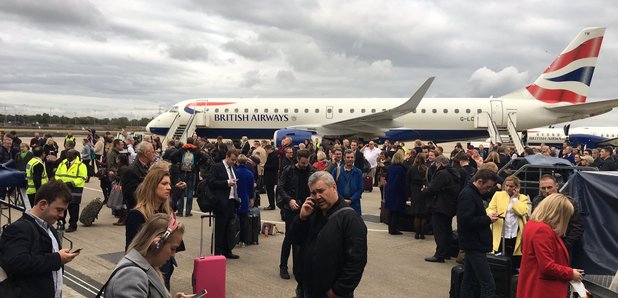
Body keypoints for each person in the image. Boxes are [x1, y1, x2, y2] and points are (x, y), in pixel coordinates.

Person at [292, 171, 368, 298]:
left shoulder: (350, 219)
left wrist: (338, 291)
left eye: (321, 191)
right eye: (313, 193)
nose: (317, 196)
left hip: (331, 293)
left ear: (334, 187)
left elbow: (356, 261)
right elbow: (296, 240)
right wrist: (301, 219)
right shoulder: (313, 212)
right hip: (307, 288)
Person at [0, 180, 78, 298]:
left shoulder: (50, 228)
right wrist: (57, 258)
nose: (62, 215)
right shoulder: (18, 229)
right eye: (59, 209)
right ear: (43, 204)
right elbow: (15, 263)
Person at [105, 213, 193, 298]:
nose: (173, 255)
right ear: (156, 244)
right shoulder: (132, 275)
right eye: (172, 249)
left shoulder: (145, 268)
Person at [125, 166, 185, 289]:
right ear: (152, 186)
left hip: (165, 269)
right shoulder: (137, 215)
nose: (169, 187)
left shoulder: (166, 211)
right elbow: (132, 250)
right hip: (146, 276)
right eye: (164, 183)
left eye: (169, 184)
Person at [517, 194, 585, 298]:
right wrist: (570, 273)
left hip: (534, 285)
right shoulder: (543, 230)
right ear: (558, 214)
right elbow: (547, 266)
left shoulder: (532, 224)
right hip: (543, 289)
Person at [457, 169, 500, 298]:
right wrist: (487, 219)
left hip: (473, 243)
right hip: (474, 243)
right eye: (487, 187)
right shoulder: (468, 195)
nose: (488, 190)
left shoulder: (472, 193)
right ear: (479, 182)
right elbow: (466, 220)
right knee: (488, 284)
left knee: (469, 281)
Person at [277, 149, 315, 291]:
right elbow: (280, 187)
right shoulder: (288, 170)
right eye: (303, 162)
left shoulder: (312, 171)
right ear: (298, 159)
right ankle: (283, 267)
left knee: (305, 240)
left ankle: (300, 268)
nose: (305, 165)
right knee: (289, 238)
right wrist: (289, 200)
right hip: (291, 209)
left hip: (308, 209)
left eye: (307, 162)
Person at [486, 176, 530, 269]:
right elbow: (490, 208)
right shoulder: (498, 195)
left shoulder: (523, 198)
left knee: (514, 257)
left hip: (515, 231)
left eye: (511, 186)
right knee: (499, 254)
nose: (508, 188)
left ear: (517, 187)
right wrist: (492, 213)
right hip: (501, 230)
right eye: (507, 185)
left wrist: (514, 199)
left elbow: (522, 211)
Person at [531, 174, 583, 252]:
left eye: (549, 187)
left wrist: (563, 246)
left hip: (562, 244)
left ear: (557, 186)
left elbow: (577, 227)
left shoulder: (568, 203)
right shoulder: (537, 201)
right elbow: (533, 223)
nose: (547, 191)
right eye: (543, 188)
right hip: (541, 245)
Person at [424, 155, 461, 262]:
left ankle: (439, 254)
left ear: (439, 164)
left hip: (440, 205)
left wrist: (425, 190)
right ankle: (446, 252)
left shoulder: (442, 174)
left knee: (439, 230)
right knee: (447, 230)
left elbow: (433, 189)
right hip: (450, 205)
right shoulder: (455, 173)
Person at [208, 149, 241, 259]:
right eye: (232, 160)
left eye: (235, 160)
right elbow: (211, 183)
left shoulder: (233, 168)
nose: (233, 162)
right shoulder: (217, 167)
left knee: (230, 227)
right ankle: (217, 252)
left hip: (231, 201)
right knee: (220, 228)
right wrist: (227, 183)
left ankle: (227, 250)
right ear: (226, 157)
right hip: (221, 202)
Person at [54, 149, 88, 232]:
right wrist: (60, 182)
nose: (67, 155)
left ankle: (73, 225)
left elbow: (82, 177)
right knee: (61, 207)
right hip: (63, 188)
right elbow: (57, 175)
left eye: (69, 154)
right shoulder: (62, 164)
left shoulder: (81, 165)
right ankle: (61, 223)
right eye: (67, 153)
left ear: (75, 155)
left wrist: (72, 183)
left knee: (73, 208)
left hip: (75, 190)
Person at [122, 142, 156, 211]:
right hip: (138, 210)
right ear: (146, 153)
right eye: (153, 152)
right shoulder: (132, 170)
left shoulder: (147, 166)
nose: (154, 154)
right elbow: (130, 195)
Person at [332, 149, 363, 216]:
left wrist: (351, 200)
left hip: (354, 204)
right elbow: (332, 187)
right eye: (348, 157)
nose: (350, 159)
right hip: (339, 204)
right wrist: (341, 200)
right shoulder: (336, 171)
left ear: (354, 158)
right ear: (344, 158)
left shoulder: (358, 172)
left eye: (352, 157)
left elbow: (360, 189)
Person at [384, 150, 408, 235]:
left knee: (391, 211)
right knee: (396, 212)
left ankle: (390, 228)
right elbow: (402, 182)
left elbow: (386, 178)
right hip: (397, 191)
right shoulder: (401, 169)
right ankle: (394, 229)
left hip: (390, 191)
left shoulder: (390, 167)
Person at [407, 153, 429, 239]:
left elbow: (407, 182)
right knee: (423, 215)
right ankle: (422, 234)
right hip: (423, 192)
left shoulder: (412, 169)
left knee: (416, 215)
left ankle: (416, 233)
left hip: (414, 192)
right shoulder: (426, 169)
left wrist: (408, 194)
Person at [236, 154, 255, 246]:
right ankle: (243, 240)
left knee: (235, 220)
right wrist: (251, 198)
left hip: (236, 198)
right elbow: (252, 188)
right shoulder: (250, 174)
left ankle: (234, 238)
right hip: (245, 197)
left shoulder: (235, 172)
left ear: (237, 161)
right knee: (244, 220)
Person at [263, 144, 279, 210]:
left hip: (271, 177)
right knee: (270, 191)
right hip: (269, 176)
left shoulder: (274, 156)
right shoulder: (271, 155)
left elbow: (274, 167)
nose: (266, 152)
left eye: (266, 150)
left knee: (270, 191)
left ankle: (272, 205)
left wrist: (265, 166)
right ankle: (271, 204)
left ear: (269, 149)